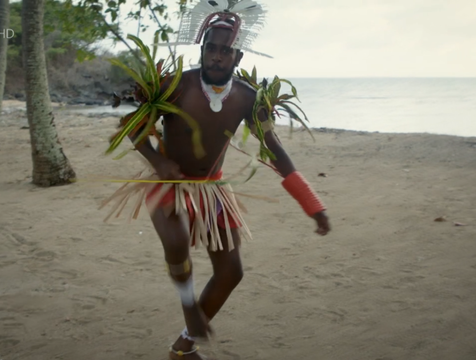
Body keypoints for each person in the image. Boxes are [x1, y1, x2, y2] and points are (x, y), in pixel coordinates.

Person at [103, 1, 331, 358]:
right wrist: (158, 160)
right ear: (202, 48)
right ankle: (188, 306)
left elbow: (274, 150)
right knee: (176, 242)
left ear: (237, 57)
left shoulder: (247, 98)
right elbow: (131, 126)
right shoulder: (176, 85)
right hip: (170, 187)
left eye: (226, 51)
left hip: (213, 191)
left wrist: (312, 204)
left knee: (231, 272)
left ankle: (184, 347)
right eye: (211, 47)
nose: (217, 56)